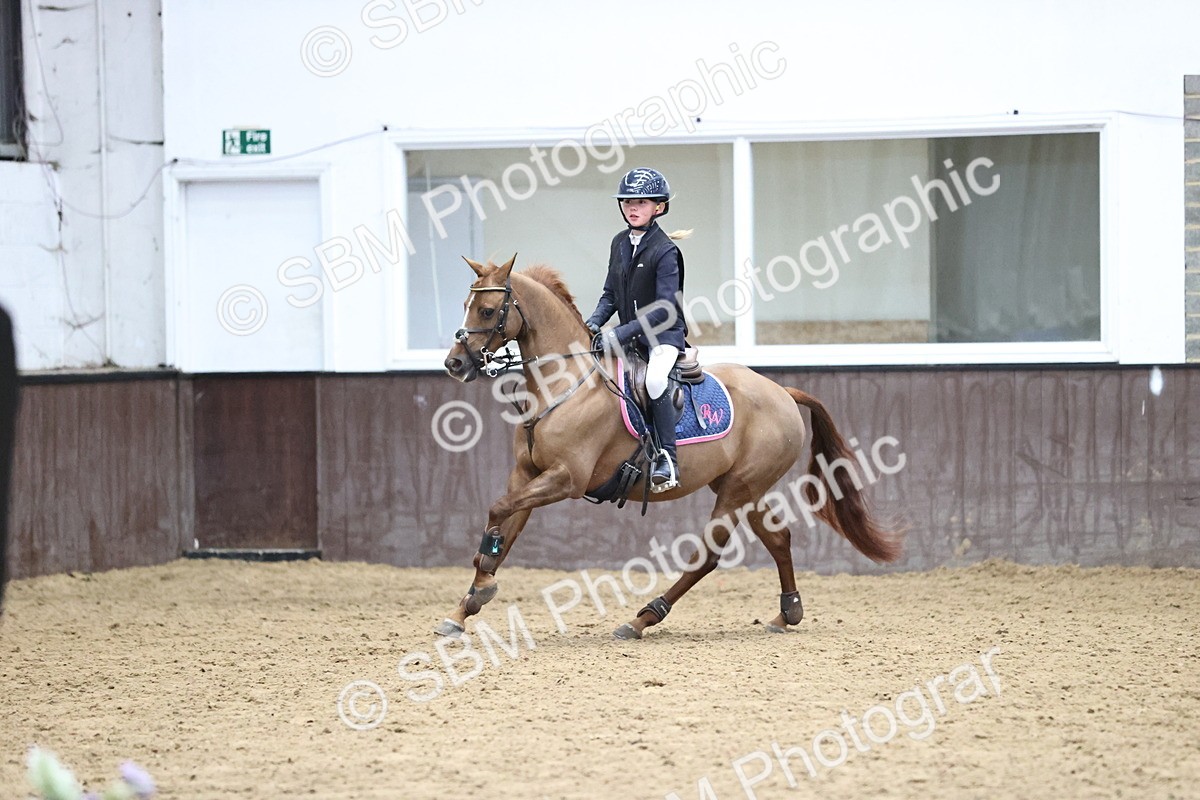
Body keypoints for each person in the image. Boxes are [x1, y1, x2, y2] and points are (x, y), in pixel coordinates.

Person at [585, 167, 689, 493]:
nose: (633, 207)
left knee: (655, 379)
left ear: (658, 207)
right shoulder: (619, 243)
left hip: (663, 338)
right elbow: (610, 295)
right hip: (629, 338)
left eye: (642, 202)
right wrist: (592, 323)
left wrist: (620, 333)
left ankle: (667, 459)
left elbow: (664, 309)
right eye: (628, 201)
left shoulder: (666, 251)